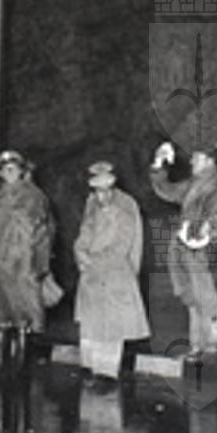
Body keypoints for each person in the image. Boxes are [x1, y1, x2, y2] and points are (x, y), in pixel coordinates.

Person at [0, 151, 54, 358]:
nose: (9, 173)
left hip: (23, 262)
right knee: (0, 312)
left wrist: (39, 263)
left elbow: (43, 232)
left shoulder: (34, 196)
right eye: (5, 170)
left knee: (23, 312)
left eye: (13, 169)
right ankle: (1, 358)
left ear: (21, 171)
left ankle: (21, 360)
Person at [148, 141, 217, 358]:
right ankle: (198, 348)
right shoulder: (195, 185)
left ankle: (209, 351)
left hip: (205, 255)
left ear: (209, 162)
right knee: (194, 301)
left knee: (206, 301)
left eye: (197, 157)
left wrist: (206, 233)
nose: (192, 161)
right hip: (189, 251)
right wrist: (159, 163)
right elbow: (167, 190)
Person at [73, 159, 147, 384]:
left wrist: (94, 260)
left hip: (115, 273)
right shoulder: (92, 205)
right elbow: (85, 232)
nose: (102, 196)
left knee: (112, 325)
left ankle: (106, 372)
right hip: (92, 274)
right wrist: (80, 252)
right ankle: (88, 366)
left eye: (106, 190)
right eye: (97, 190)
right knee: (91, 323)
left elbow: (123, 246)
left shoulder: (125, 208)